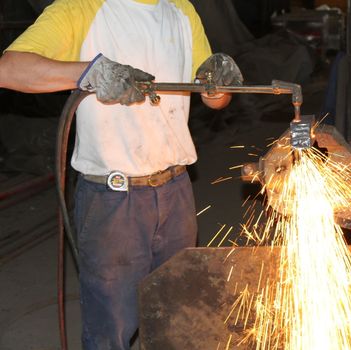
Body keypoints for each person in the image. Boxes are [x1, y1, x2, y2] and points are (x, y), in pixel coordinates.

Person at [0, 0, 243, 349]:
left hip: (176, 191)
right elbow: (9, 69)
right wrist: (89, 72)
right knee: (111, 330)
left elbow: (212, 98)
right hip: (114, 200)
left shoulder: (181, 9)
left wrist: (218, 85)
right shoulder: (81, 8)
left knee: (178, 318)